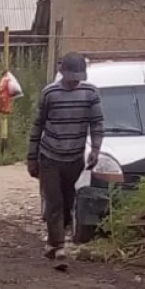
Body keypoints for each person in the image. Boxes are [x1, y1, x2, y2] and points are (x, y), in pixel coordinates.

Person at [27, 52, 104, 259]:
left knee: (68, 200)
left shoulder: (90, 93)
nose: (74, 82)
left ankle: (53, 242)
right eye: (71, 78)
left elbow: (97, 123)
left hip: (74, 159)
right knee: (54, 201)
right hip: (50, 156)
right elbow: (38, 125)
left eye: (78, 78)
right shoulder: (49, 93)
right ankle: (60, 246)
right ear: (62, 73)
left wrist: (96, 149)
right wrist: (32, 158)